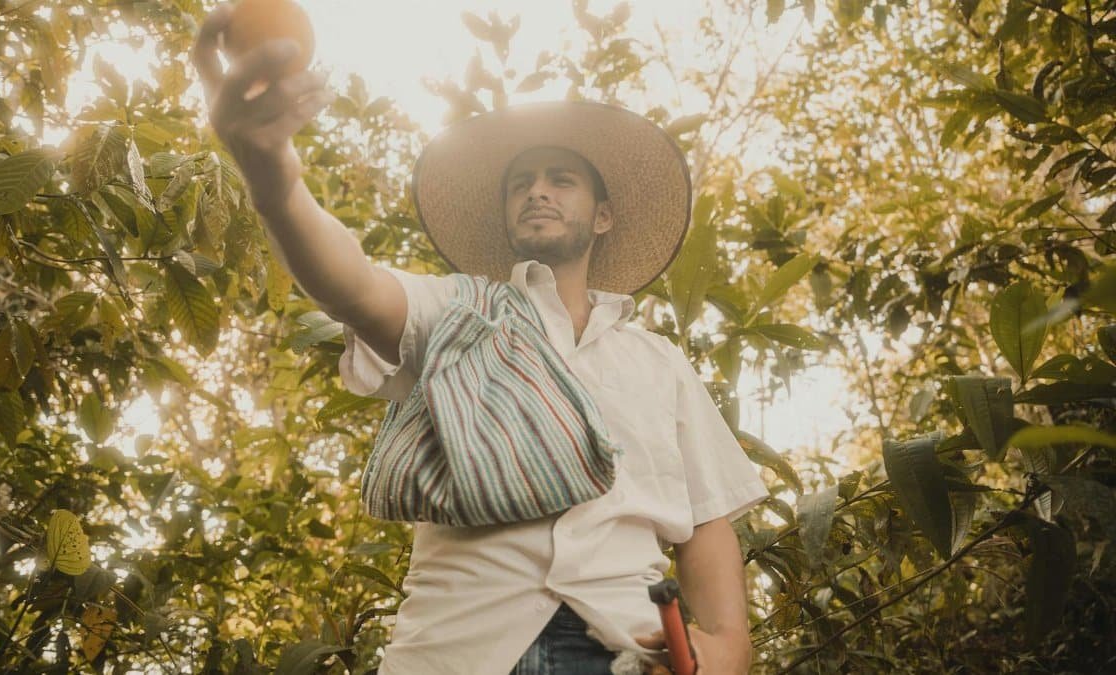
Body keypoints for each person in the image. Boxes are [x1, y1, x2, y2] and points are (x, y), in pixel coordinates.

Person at [192, 5, 769, 674]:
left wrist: (728, 642)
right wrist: (273, 176)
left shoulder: (661, 364)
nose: (537, 192)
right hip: (457, 649)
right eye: (521, 183)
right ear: (506, 216)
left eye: (561, 179)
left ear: (604, 213)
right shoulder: (459, 313)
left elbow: (704, 521)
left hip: (627, 650)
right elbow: (349, 283)